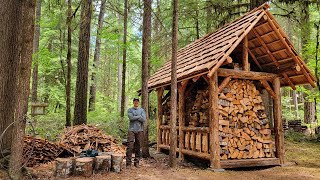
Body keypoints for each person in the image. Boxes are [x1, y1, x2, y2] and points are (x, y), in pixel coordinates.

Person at [126, 97, 146, 167]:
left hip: (140, 130)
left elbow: (143, 119)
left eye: (137, 101)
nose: (136, 102)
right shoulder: (130, 110)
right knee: (130, 146)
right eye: (135, 101)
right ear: (133, 102)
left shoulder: (142, 110)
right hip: (131, 130)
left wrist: (135, 116)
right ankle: (128, 163)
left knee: (138, 146)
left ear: (138, 102)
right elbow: (131, 118)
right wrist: (139, 116)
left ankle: (136, 162)